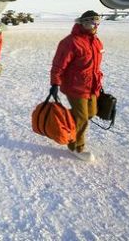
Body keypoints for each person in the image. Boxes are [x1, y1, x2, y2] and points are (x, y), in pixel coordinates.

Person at [50, 10, 104, 162]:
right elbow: (58, 65)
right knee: (82, 118)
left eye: (97, 22)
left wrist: (98, 82)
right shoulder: (70, 42)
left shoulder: (96, 41)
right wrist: (55, 83)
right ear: (82, 23)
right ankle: (76, 147)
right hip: (75, 86)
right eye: (91, 23)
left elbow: (94, 65)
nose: (94, 26)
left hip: (91, 85)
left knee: (91, 112)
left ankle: (62, 120)